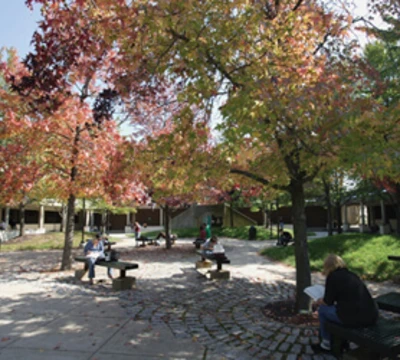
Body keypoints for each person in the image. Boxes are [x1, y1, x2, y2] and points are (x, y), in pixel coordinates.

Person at [311, 254, 378, 353]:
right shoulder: (352, 275)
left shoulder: (332, 277)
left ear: (327, 266)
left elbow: (327, 302)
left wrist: (318, 301)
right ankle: (341, 340)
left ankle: (326, 344)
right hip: (371, 315)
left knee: (323, 311)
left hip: (355, 318)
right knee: (335, 310)